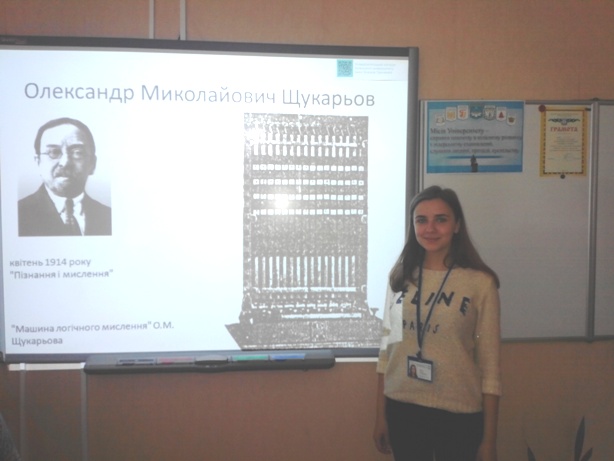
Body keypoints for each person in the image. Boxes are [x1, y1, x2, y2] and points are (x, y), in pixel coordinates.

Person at [373, 185, 501, 461]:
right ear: (413, 226)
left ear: (457, 225)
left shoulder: (480, 283)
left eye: (440, 219)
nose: (430, 228)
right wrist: (381, 415)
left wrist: (489, 441)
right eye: (421, 220)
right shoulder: (400, 277)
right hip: (402, 406)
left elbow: (490, 367)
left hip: (458, 412)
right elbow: (387, 352)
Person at [18, 117, 112, 237]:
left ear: (92, 163)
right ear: (38, 162)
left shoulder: (109, 216)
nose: (65, 162)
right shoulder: (19, 214)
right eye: (54, 152)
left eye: (77, 152)